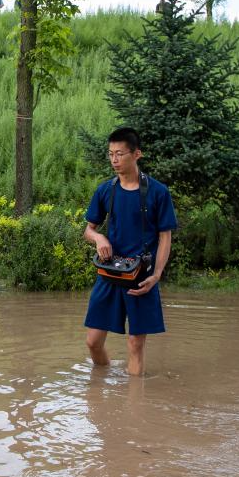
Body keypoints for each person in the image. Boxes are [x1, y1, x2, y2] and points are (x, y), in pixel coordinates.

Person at [83, 128, 177, 377]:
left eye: (120, 154)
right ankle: (102, 380)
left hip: (141, 278)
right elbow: (88, 230)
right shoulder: (105, 190)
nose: (114, 160)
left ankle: (135, 398)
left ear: (137, 154)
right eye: (110, 154)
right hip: (109, 274)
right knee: (92, 342)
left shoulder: (158, 192)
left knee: (135, 345)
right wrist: (99, 237)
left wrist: (156, 275)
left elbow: (165, 237)